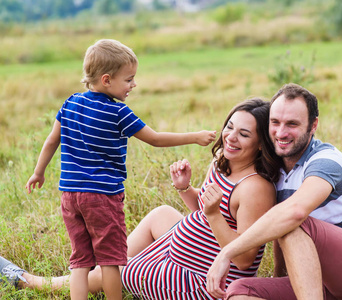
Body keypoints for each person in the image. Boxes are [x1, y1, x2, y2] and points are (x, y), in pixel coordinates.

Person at [2, 98, 282, 299]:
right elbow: (204, 208)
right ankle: (113, 265)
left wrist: (212, 214)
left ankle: (33, 283)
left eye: (244, 134)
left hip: (204, 281)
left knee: (115, 269)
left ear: (261, 144)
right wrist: (186, 189)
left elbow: (244, 259)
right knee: (161, 214)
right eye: (229, 127)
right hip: (186, 252)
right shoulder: (224, 160)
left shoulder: (255, 187)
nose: (230, 137)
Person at [23, 39, 216, 300]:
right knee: (111, 260)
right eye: (129, 79)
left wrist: (38, 172)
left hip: (70, 195)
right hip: (102, 197)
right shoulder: (118, 112)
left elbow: (51, 140)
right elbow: (155, 139)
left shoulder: (70, 103)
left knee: (80, 261)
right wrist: (194, 136)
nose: (133, 85)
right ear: (106, 80)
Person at [206, 83, 342, 300]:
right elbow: (278, 230)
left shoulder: (326, 160)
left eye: (292, 124)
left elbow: (293, 214)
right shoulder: (274, 171)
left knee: (292, 222)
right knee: (239, 291)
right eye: (275, 122)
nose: (281, 132)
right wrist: (279, 277)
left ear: (313, 125)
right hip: (318, 281)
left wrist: (227, 253)